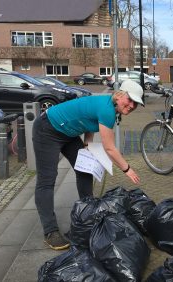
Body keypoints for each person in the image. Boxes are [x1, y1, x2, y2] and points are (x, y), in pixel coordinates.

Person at [32, 80, 143, 250]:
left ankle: (88, 214)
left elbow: (88, 120)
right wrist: (127, 169)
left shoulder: (110, 106)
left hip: (68, 133)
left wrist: (87, 144)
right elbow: (110, 148)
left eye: (136, 103)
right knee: (47, 180)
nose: (132, 106)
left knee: (84, 170)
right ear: (120, 94)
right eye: (130, 100)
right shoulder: (107, 110)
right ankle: (50, 231)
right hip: (48, 129)